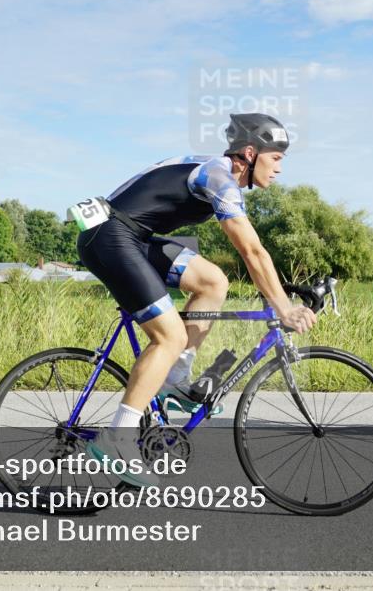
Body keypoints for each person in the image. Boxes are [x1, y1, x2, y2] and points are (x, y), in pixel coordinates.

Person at [75, 113, 317, 486]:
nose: (280, 168)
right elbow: (252, 251)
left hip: (133, 236)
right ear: (250, 153)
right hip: (108, 236)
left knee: (213, 281)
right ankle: (117, 438)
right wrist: (283, 307)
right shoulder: (218, 176)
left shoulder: (217, 171)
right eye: (277, 158)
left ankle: (174, 378)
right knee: (169, 336)